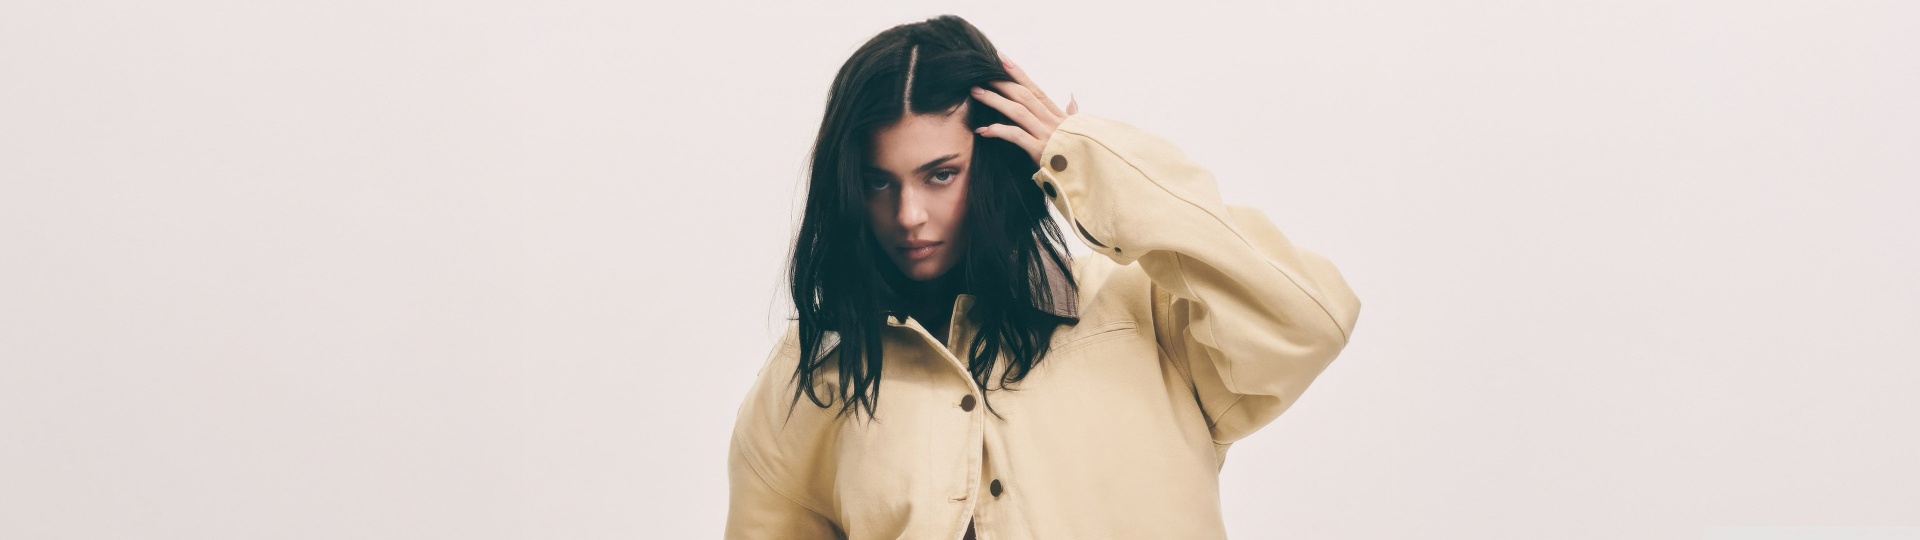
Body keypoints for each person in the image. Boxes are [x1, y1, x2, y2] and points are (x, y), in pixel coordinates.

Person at [726, 14, 1361, 540]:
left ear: (994, 160)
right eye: (878, 182)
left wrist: (1089, 161)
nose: (909, 215)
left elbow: (1309, 322)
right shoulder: (812, 377)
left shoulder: (1144, 316)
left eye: (940, 174)